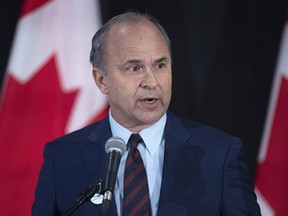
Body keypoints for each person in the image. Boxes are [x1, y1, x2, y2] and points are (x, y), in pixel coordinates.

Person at [32, 12, 261, 216]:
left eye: (160, 66)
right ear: (102, 80)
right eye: (134, 68)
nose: (152, 82)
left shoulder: (220, 154)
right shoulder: (62, 159)